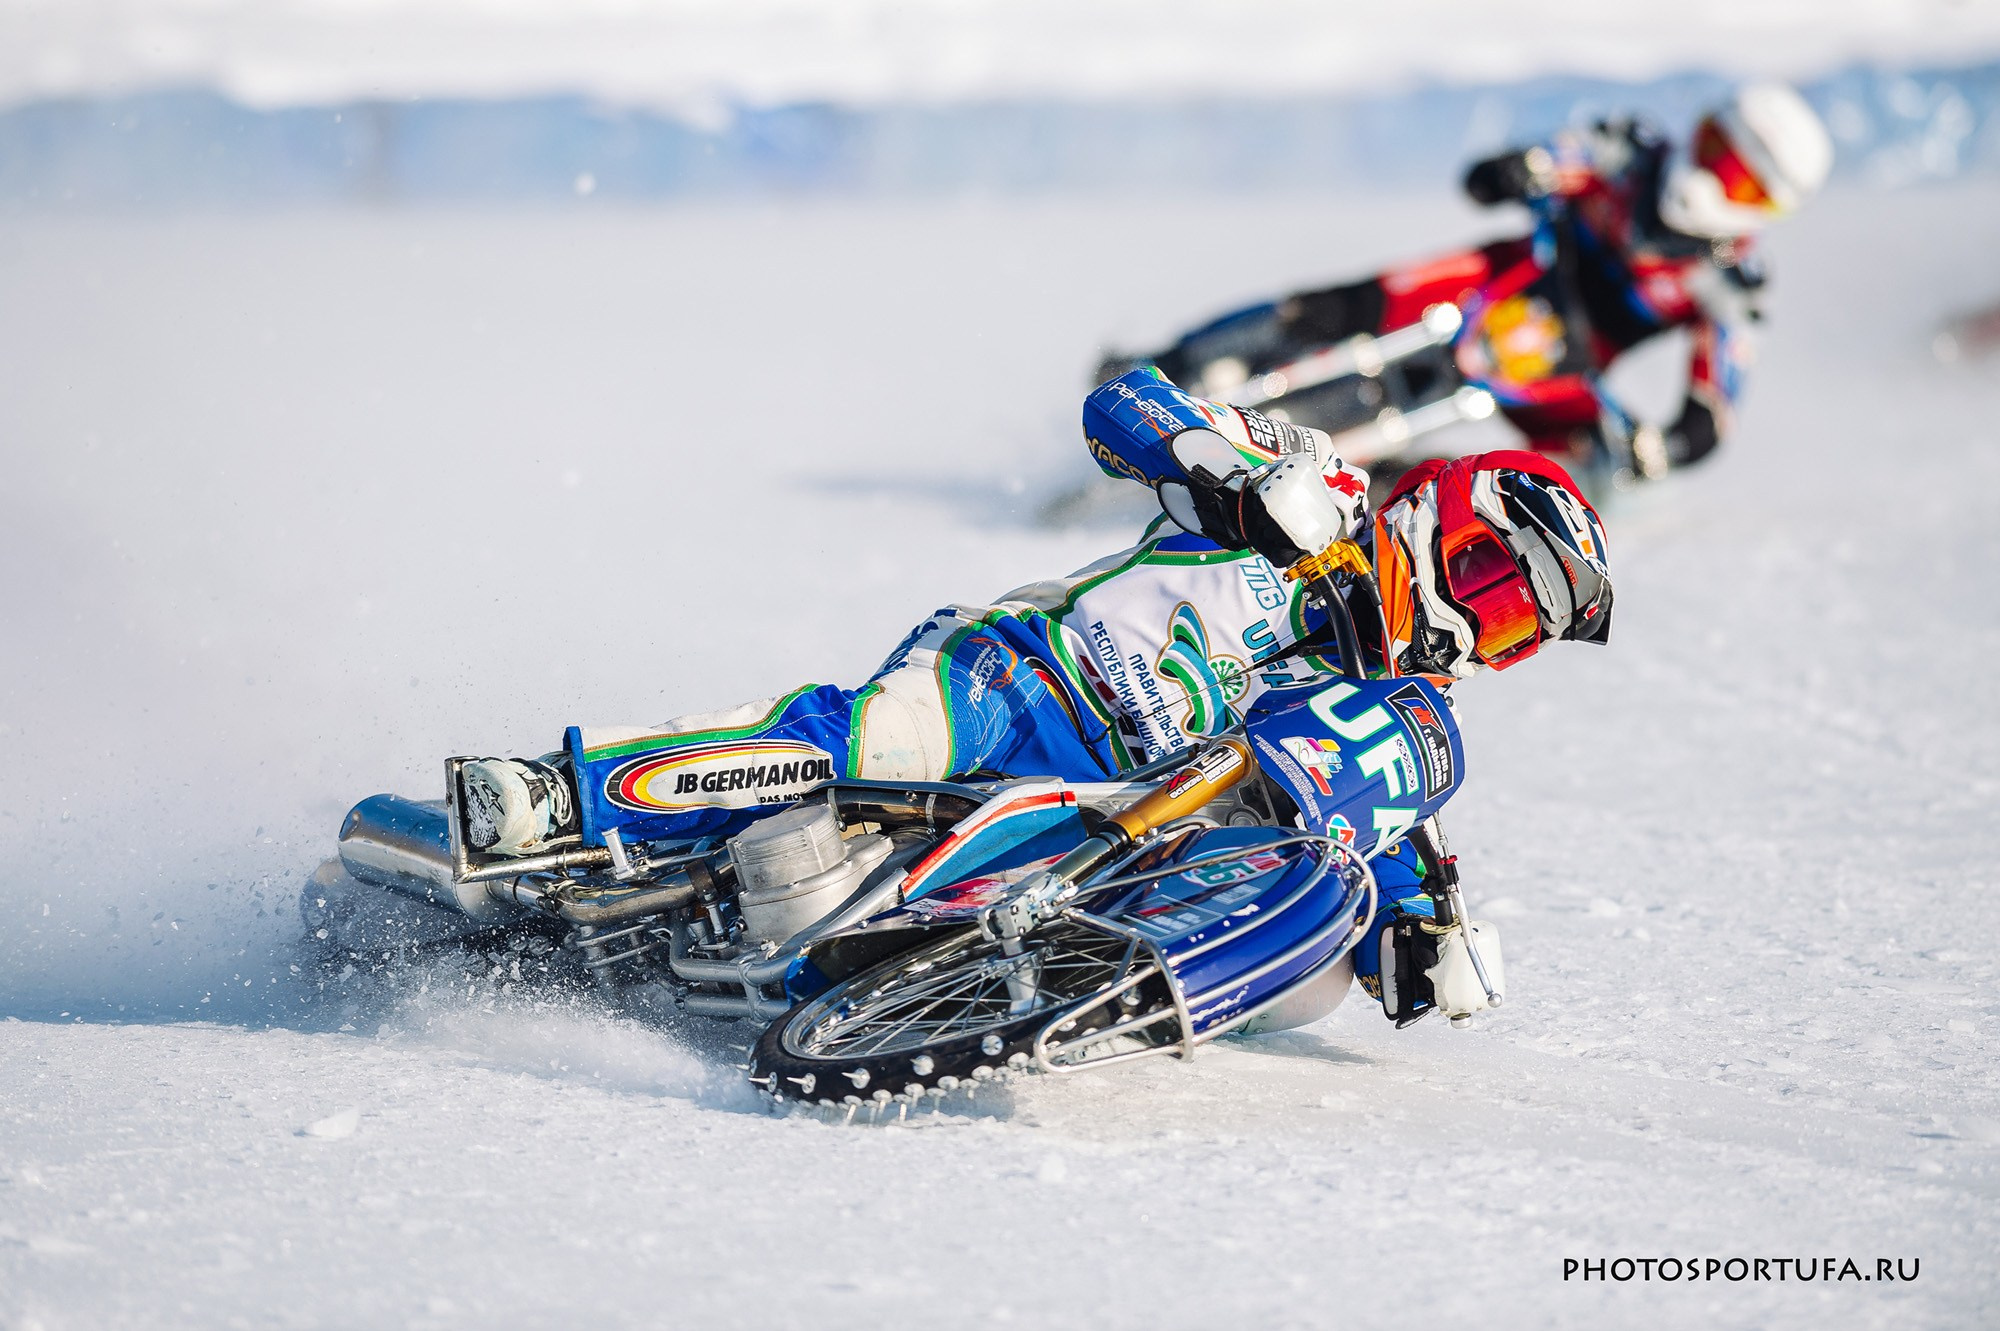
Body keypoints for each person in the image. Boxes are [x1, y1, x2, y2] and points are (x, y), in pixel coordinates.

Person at [456, 370, 1612, 1024]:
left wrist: (1411, 937)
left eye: (1515, 627)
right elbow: (1129, 401)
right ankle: (560, 797)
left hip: (1109, 811)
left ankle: (991, 995)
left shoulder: (1389, 705)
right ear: (1444, 516)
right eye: (1495, 581)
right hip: (1024, 676)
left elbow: (1364, 818)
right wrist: (1233, 476)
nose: (1478, 622)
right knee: (870, 738)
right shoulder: (1327, 477)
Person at [1144, 83, 1834, 481]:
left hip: (1562, 376)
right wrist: (1517, 169)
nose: (1708, 175)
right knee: (1343, 305)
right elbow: (1558, 156)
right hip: (1499, 279)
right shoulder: (1635, 151)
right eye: (1713, 145)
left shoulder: (1734, 281)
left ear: (1764, 203)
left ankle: (1370, 506)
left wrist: (1668, 444)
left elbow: (1716, 405)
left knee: (1545, 492)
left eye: (1737, 173)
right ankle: (1164, 367)